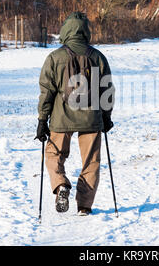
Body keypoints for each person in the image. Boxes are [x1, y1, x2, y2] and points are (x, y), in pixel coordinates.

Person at [35, 12, 114, 216]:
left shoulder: (54, 58)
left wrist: (42, 120)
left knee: (54, 154)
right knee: (91, 161)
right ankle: (85, 206)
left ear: (65, 30)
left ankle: (61, 184)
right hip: (91, 118)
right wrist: (106, 117)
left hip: (62, 118)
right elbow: (107, 90)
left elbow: (47, 91)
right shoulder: (97, 57)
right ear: (86, 31)